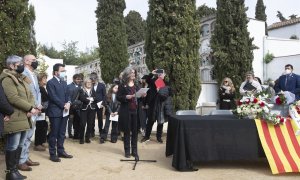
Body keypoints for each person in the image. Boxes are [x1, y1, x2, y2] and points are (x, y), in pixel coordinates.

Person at [0, 55, 39, 179]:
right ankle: (10, 172)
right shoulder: (7, 79)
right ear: (11, 65)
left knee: (20, 144)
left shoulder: (21, 78)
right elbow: (13, 98)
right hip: (15, 117)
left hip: (24, 116)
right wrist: (30, 108)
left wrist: (31, 108)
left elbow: (30, 94)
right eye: (19, 63)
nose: (22, 65)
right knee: (13, 145)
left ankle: (15, 170)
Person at [17, 54, 42, 171]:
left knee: (29, 136)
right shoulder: (22, 74)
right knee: (24, 137)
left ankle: (25, 157)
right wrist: (30, 108)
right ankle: (20, 161)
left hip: (35, 109)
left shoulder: (34, 75)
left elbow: (38, 92)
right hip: (28, 110)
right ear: (26, 61)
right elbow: (24, 94)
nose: (35, 62)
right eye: (33, 60)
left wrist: (39, 104)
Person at [47, 63, 73, 162]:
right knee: (54, 133)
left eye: (64, 71)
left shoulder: (64, 82)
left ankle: (61, 151)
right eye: (62, 71)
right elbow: (53, 97)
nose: (64, 73)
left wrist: (69, 102)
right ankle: (53, 154)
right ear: (56, 72)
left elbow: (68, 95)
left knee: (62, 133)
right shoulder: (50, 83)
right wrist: (63, 105)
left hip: (65, 112)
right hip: (55, 112)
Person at [117, 67, 144, 158]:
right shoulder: (122, 85)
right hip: (126, 111)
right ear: (127, 74)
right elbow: (118, 97)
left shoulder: (137, 85)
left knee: (135, 132)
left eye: (134, 73)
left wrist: (143, 95)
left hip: (136, 111)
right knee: (127, 132)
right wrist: (126, 97)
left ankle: (134, 151)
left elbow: (139, 97)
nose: (133, 74)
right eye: (131, 72)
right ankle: (127, 151)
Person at [141, 69, 172, 144]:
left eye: (162, 73)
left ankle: (159, 137)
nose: (160, 75)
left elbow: (168, 94)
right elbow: (147, 79)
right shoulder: (154, 81)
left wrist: (160, 91)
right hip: (152, 105)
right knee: (150, 122)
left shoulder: (166, 83)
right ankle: (147, 136)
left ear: (164, 75)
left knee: (160, 122)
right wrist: (151, 73)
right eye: (159, 73)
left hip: (161, 105)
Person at [78, 78, 97, 144]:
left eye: (90, 82)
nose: (89, 83)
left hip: (92, 109)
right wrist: (90, 99)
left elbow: (95, 98)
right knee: (82, 124)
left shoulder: (93, 90)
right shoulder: (81, 90)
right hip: (84, 109)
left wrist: (90, 99)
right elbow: (81, 98)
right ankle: (81, 138)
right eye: (87, 82)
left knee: (90, 124)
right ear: (85, 83)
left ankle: (87, 138)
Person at [34, 73, 49, 152]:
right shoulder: (40, 88)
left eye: (46, 78)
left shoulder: (44, 87)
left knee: (44, 126)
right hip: (41, 110)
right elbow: (41, 100)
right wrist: (40, 109)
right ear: (39, 80)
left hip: (44, 110)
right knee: (40, 127)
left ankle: (42, 141)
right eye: (44, 78)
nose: (46, 80)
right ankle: (37, 144)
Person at [90, 72, 106, 139]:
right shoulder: (90, 85)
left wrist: (103, 103)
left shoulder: (102, 85)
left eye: (94, 78)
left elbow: (104, 95)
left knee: (100, 118)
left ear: (97, 78)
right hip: (92, 104)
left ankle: (100, 131)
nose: (93, 80)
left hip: (100, 104)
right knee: (92, 118)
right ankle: (92, 132)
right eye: (91, 78)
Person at [67, 74, 82, 139]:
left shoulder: (81, 86)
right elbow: (68, 96)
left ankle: (77, 134)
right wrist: (71, 103)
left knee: (77, 120)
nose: (79, 80)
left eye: (79, 79)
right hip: (71, 107)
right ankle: (70, 133)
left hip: (78, 107)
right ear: (74, 79)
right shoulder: (69, 86)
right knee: (70, 120)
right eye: (77, 79)